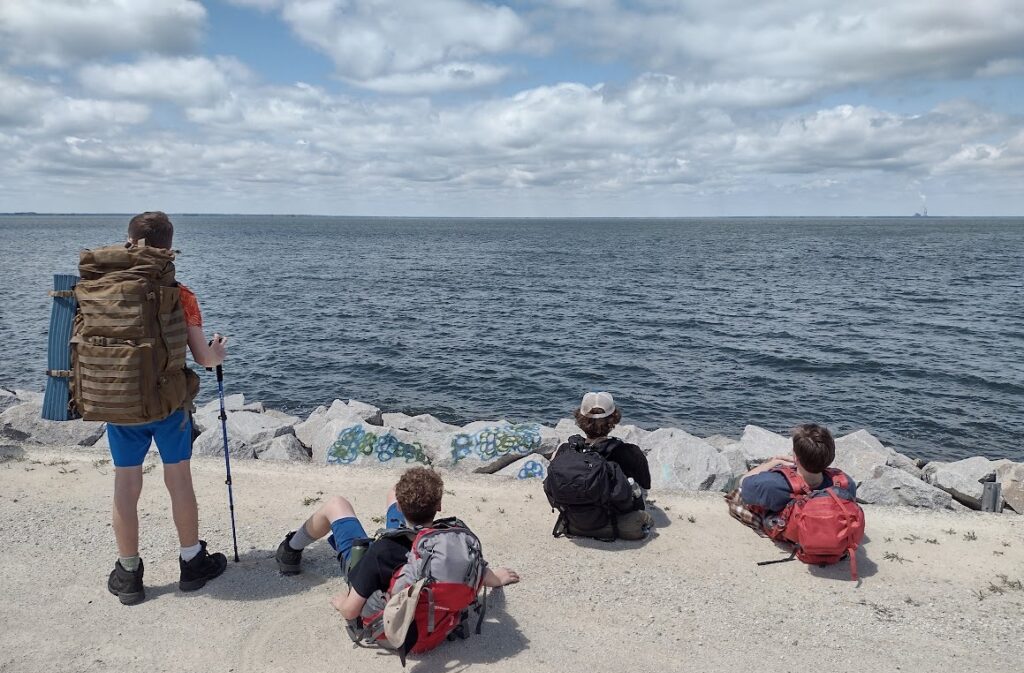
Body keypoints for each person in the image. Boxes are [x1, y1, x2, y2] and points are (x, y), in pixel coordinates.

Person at [104, 212, 230, 604]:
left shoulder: (103, 288)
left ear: (128, 241)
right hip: (169, 405)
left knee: (126, 485)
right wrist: (219, 352)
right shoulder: (181, 293)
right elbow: (203, 358)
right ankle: (192, 562)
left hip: (121, 403)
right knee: (179, 481)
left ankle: (128, 573)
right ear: (169, 245)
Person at [274, 467, 520, 624]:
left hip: (383, 577)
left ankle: (290, 550)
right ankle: (414, 508)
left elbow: (350, 611)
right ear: (440, 506)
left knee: (336, 504)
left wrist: (339, 601)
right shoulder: (451, 538)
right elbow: (474, 568)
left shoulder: (381, 552)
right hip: (416, 550)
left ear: (401, 510)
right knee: (394, 490)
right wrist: (496, 578)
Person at [544, 391, 653, 540]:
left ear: (580, 419)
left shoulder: (566, 451)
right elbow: (645, 484)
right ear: (614, 419)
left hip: (574, 520)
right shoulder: (628, 452)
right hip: (614, 519)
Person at [727, 423, 858, 534]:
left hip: (790, 526)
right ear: (831, 457)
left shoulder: (772, 484)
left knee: (734, 484)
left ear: (795, 457)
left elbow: (743, 483)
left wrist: (773, 462)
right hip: (825, 528)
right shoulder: (846, 484)